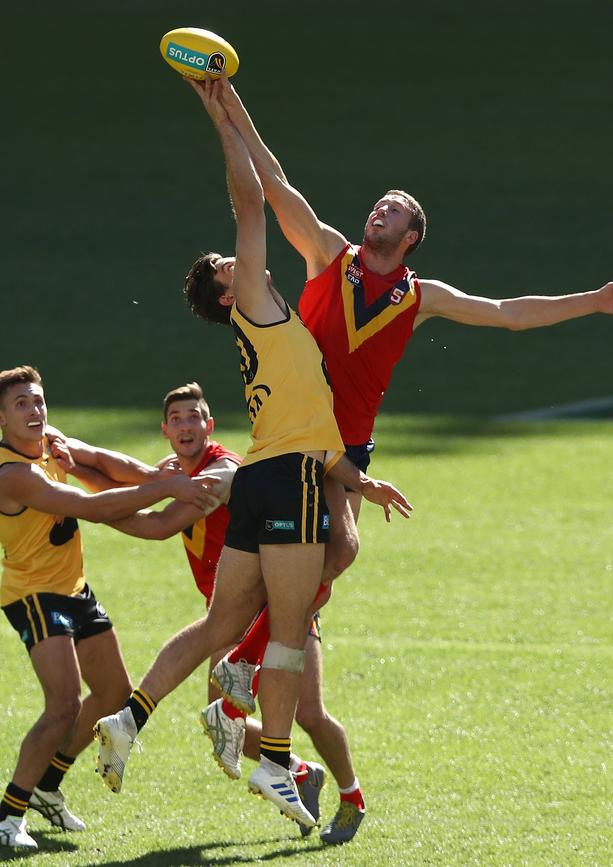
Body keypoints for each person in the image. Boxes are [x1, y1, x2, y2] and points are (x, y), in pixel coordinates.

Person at [184, 72, 613, 844]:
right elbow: (274, 179)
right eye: (377, 203)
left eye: (392, 211)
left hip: (346, 446)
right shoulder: (327, 254)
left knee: (339, 551)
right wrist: (229, 105)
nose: (378, 211)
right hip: (296, 433)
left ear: (410, 237)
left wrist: (589, 302)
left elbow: (503, 314)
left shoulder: (416, 294)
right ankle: (245, 681)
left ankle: (247, 677)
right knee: (330, 558)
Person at [93, 76, 411, 834]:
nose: (240, 260)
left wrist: (363, 481)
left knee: (219, 622)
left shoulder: (274, 327)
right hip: (290, 481)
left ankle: (130, 717)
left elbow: (315, 426)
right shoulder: (262, 307)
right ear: (228, 288)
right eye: (229, 263)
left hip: (265, 473)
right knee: (294, 625)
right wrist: (223, 124)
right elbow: (252, 201)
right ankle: (273, 756)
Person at [67, 381, 344, 834]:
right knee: (221, 724)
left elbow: (156, 523)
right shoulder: (177, 472)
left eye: (193, 416)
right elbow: (120, 479)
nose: (186, 425)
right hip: (232, 614)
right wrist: (73, 469)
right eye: (177, 419)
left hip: (275, 606)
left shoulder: (221, 472)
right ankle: (298, 771)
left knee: (310, 713)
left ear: (209, 425)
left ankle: (350, 794)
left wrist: (84, 507)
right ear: (166, 431)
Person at [0, 365, 221, 852]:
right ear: (2, 419)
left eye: (38, 401)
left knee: (114, 693)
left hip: (73, 588)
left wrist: (159, 475)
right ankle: (9, 813)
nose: (35, 410)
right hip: (33, 595)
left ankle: (46, 786)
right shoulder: (13, 474)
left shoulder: (49, 440)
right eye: (21, 405)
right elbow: (89, 506)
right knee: (61, 706)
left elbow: (101, 460)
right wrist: (166, 489)